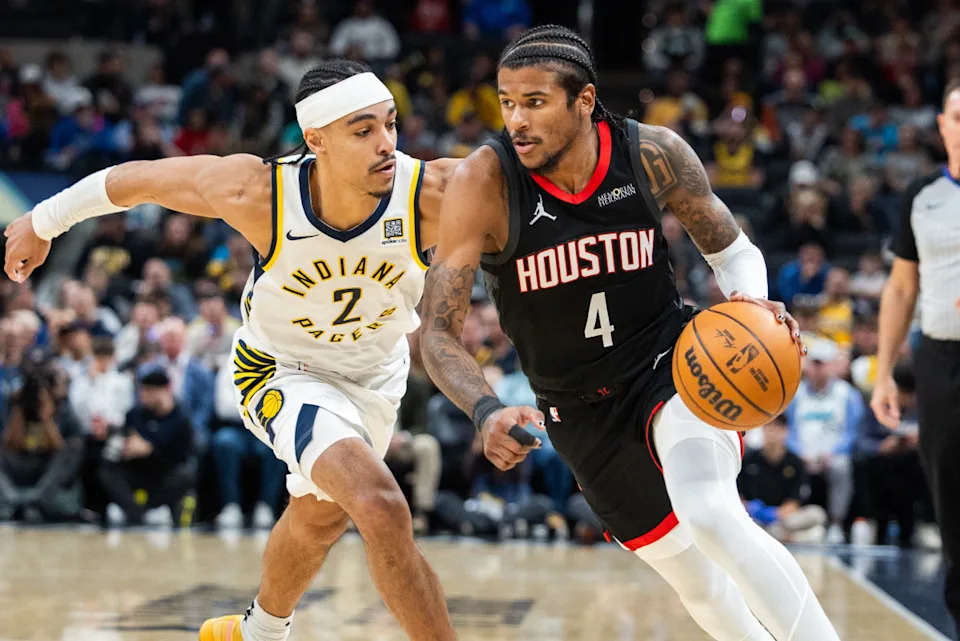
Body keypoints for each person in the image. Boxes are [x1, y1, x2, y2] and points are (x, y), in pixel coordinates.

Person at [3, 60, 459, 641]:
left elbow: (532, 204)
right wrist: (43, 221)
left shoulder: (432, 192)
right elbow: (137, 179)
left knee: (320, 517)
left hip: (376, 377)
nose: (386, 144)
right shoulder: (258, 191)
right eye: (363, 130)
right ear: (315, 139)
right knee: (381, 505)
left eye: (391, 124)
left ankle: (259, 631)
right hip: (281, 371)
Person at [419, 25, 839, 641]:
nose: (516, 121)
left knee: (712, 513)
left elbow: (731, 249)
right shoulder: (485, 183)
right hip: (577, 413)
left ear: (584, 100)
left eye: (535, 102)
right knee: (695, 580)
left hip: (672, 363)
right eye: (507, 102)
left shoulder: (650, 153)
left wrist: (755, 308)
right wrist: (484, 409)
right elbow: (437, 333)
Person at [872, 78, 960, 637]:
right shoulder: (923, 194)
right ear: (945, 126)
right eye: (958, 113)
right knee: (950, 494)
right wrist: (883, 372)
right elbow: (902, 288)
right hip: (942, 359)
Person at [738, 415, 827, 544]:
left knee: (817, 514)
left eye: (777, 427)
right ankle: (785, 537)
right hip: (753, 517)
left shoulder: (795, 462)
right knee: (745, 521)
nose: (772, 432)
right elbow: (739, 496)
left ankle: (780, 536)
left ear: (785, 431)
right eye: (768, 427)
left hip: (784, 518)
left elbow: (795, 501)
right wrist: (753, 509)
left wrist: (775, 514)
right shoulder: (749, 460)